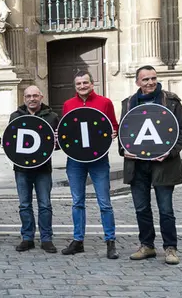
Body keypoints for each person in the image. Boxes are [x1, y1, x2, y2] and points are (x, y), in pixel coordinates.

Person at [120, 65, 182, 265]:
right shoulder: (128, 103)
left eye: (153, 78)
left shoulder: (171, 101)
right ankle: (147, 246)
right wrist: (122, 150)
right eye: (145, 79)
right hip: (137, 165)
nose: (150, 82)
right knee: (141, 208)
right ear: (137, 82)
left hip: (164, 165)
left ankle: (170, 248)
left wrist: (170, 151)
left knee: (165, 209)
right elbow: (123, 134)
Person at [61, 70, 119, 259]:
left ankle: (110, 241)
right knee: (77, 202)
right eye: (78, 84)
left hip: (99, 159)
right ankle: (78, 241)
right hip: (75, 160)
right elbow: (66, 129)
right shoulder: (68, 104)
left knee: (104, 202)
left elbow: (114, 125)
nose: (82, 86)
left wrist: (114, 133)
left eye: (85, 83)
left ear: (92, 84)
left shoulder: (105, 102)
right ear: (75, 86)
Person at [9, 86, 59, 253]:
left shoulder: (52, 117)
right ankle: (27, 237)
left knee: (45, 205)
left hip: (43, 168)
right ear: (24, 98)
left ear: (41, 97)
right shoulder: (15, 117)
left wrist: (57, 141)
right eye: (29, 96)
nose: (32, 99)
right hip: (22, 168)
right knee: (24, 205)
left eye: (35, 95)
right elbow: (11, 142)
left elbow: (57, 144)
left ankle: (46, 238)